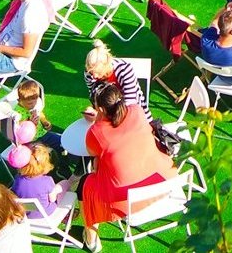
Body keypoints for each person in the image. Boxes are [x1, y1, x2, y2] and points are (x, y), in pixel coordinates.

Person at [76, 77, 178, 250]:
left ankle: (91, 238)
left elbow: (92, 152)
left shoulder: (96, 131)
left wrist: (97, 121)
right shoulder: (137, 111)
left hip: (127, 200)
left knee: (85, 184)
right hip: (165, 181)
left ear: (100, 108)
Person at [9, 143, 74, 222]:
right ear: (45, 165)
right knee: (63, 184)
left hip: (28, 215)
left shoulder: (18, 180)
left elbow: (14, 194)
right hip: (46, 213)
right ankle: (71, 185)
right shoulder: (47, 180)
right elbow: (52, 199)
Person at [83, 37, 149, 113]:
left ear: (107, 64)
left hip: (131, 110)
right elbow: (95, 97)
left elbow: (130, 101)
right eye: (91, 72)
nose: (94, 76)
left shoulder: (124, 69)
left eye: (99, 72)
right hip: (107, 110)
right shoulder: (89, 74)